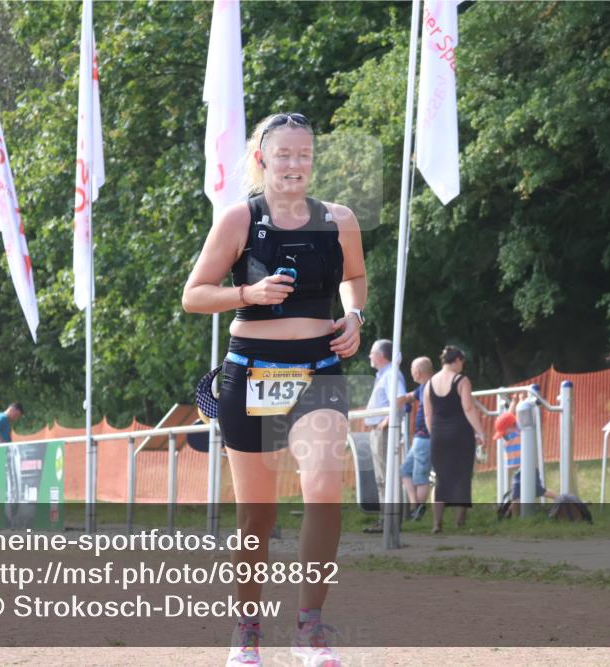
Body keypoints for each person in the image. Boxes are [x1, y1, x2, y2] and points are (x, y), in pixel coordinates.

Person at [183, 112, 366, 667]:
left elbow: (353, 279)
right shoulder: (241, 218)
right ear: (261, 158)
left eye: (304, 154)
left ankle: (310, 631)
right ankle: (246, 632)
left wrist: (355, 315)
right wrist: (249, 293)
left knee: (323, 490)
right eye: (283, 154)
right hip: (253, 368)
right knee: (256, 516)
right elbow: (194, 295)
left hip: (318, 367)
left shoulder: (340, 219)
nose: (294, 164)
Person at [423, 346, 486, 533]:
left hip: (438, 435)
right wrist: (480, 431)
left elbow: (428, 413)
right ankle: (460, 522)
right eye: (462, 362)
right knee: (462, 477)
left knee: (441, 479)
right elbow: (468, 408)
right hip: (461, 434)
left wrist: (434, 433)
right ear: (457, 360)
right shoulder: (461, 380)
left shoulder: (429, 383)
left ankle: (437, 523)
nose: (462, 366)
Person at [362, 339, 406, 533]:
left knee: (385, 477)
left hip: (384, 431)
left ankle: (390, 520)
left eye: (372, 352)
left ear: (381, 355)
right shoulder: (384, 375)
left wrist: (384, 423)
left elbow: (399, 399)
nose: (370, 356)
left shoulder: (391, 374)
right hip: (378, 430)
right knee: (382, 477)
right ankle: (386, 519)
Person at [494, 395, 557, 506]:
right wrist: (513, 402)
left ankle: (562, 499)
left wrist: (521, 401)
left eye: (504, 432)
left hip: (528, 468)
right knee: (516, 496)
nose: (503, 435)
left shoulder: (519, 430)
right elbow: (508, 416)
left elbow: (518, 415)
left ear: (511, 427)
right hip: (518, 471)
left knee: (538, 491)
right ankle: (513, 516)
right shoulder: (508, 435)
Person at [398, 356, 433, 520]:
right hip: (421, 437)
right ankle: (415, 506)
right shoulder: (425, 387)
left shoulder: (428, 387)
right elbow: (411, 395)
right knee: (405, 471)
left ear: (418, 373)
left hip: (425, 437)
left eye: (412, 371)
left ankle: (418, 511)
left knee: (420, 476)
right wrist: (405, 399)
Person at [0, 403, 25, 506]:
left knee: (1, 481)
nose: (15, 419)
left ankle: (1, 506)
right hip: (3, 453)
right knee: (7, 480)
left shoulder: (0, 416)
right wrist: (2, 443)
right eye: (16, 416)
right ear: (12, 410)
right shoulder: (3, 418)